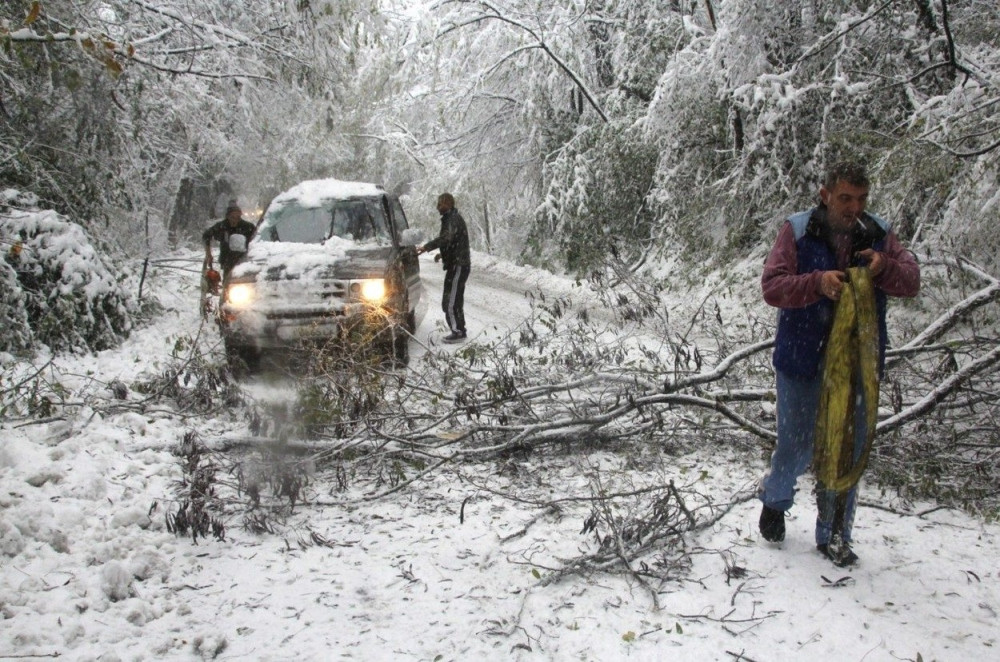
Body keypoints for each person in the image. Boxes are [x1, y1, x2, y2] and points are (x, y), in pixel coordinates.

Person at [758, 160, 920, 566]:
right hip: (802, 360)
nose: (854, 207)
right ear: (825, 194)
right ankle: (776, 500)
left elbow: (911, 281)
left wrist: (883, 269)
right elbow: (772, 287)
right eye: (846, 198)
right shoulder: (796, 230)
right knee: (795, 444)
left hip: (857, 364)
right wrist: (817, 283)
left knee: (847, 449)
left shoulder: (879, 233)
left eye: (861, 199)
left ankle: (834, 535)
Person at [416, 193, 471, 343]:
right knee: (454, 299)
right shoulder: (451, 218)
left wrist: (426, 247)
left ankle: (458, 332)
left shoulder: (452, 219)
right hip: (457, 264)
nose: (437, 207)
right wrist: (443, 254)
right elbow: (453, 241)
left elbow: (447, 238)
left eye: (440, 204)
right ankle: (459, 329)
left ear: (448, 203)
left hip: (458, 265)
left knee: (451, 301)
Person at [203, 201, 256, 282]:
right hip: (227, 260)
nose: (235, 220)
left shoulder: (248, 227)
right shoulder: (222, 226)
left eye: (238, 217)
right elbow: (206, 235)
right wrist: (208, 254)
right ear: (227, 216)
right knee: (228, 283)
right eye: (232, 217)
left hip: (243, 260)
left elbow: (256, 240)